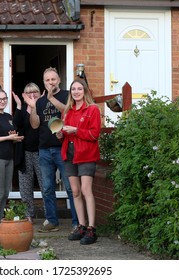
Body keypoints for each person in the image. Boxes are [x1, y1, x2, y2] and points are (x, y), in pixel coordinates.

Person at [23, 67, 78, 233]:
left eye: (53, 79)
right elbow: (35, 124)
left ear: (59, 80)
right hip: (45, 149)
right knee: (47, 188)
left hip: (64, 148)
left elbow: (65, 110)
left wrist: (50, 97)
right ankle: (52, 221)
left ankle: (77, 222)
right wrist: (33, 107)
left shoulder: (67, 95)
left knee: (70, 187)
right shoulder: (40, 101)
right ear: (43, 81)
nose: (50, 82)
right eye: (47, 80)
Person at [58, 78, 101, 245]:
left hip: (86, 154)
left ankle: (92, 228)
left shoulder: (92, 110)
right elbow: (65, 133)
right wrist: (61, 134)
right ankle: (81, 226)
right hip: (69, 155)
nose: (76, 92)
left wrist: (76, 130)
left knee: (85, 190)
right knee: (75, 191)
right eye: (73, 89)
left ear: (85, 91)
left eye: (79, 89)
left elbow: (94, 134)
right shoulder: (67, 111)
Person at [0, 88, 24, 237]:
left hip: (9, 158)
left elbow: (10, 134)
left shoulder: (8, 116)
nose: (2, 101)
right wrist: (7, 138)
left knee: (5, 193)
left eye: (4, 98)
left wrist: (14, 138)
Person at [12, 83, 44, 224]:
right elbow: (15, 124)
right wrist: (18, 105)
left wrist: (41, 103)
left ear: (39, 93)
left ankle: (49, 216)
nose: (32, 95)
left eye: (35, 92)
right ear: (24, 95)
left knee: (45, 185)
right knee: (25, 186)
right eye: (28, 92)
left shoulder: (43, 108)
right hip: (24, 153)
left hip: (41, 152)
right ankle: (28, 215)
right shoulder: (23, 109)